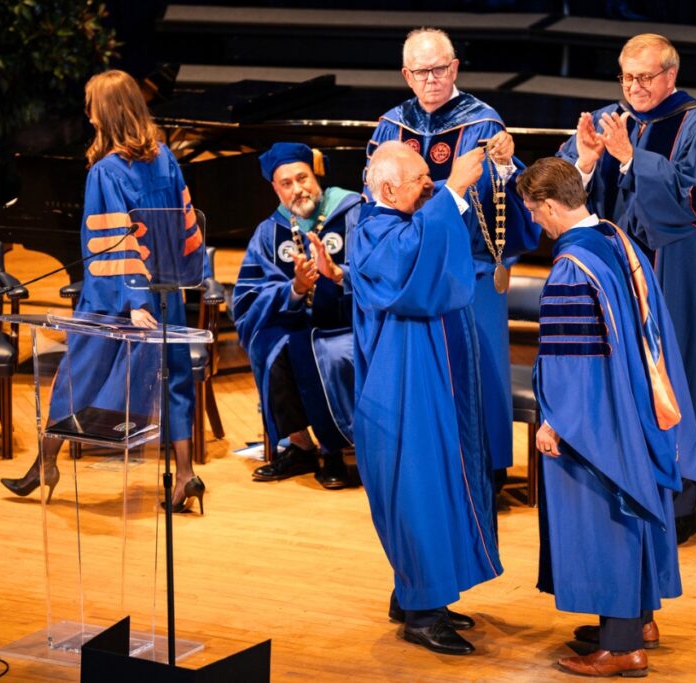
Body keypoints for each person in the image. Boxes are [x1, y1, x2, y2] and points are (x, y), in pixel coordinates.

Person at [518, 157, 696, 676]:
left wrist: (556, 421)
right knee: (633, 512)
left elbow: (575, 361)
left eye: (534, 210)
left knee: (606, 519)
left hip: (599, 419)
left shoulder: (570, 268)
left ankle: (622, 646)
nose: (533, 220)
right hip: (638, 399)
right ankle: (637, 621)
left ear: (551, 206)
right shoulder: (617, 240)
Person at [1, 69, 206, 513]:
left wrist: (133, 299)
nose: (88, 114)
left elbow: (115, 237)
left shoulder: (105, 172)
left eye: (91, 105)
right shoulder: (166, 158)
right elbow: (186, 225)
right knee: (175, 379)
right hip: (166, 294)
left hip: (116, 298)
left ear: (107, 112)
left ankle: (45, 464)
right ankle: (185, 475)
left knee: (77, 372)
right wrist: (181, 282)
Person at [557, 33, 696, 541]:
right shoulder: (607, 121)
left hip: (672, 279)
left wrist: (632, 160)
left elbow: (695, 201)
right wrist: (586, 161)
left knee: (673, 376)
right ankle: (620, 494)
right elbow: (559, 196)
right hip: (610, 281)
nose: (633, 87)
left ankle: (677, 508)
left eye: (644, 77)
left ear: (670, 76)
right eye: (626, 77)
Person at [365, 27, 540, 482]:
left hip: (469, 273)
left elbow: (504, 205)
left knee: (478, 372)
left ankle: (483, 472)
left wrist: (505, 165)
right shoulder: (390, 126)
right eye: (421, 71)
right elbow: (375, 199)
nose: (431, 79)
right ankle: (430, 468)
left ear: (455, 68)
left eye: (439, 69)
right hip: (412, 275)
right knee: (423, 377)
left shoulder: (483, 124)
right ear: (406, 75)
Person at [350, 140, 502, 656]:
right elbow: (408, 265)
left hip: (426, 378)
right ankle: (421, 613)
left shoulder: (403, 220)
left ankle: (418, 594)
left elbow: (435, 248)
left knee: (438, 483)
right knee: (418, 490)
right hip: (400, 387)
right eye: (419, 179)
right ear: (388, 188)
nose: (429, 185)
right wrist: (455, 189)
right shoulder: (373, 230)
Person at [231, 142, 361, 490]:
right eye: (286, 184)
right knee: (269, 344)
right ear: (276, 189)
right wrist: (295, 288)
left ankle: (334, 451)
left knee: (319, 352)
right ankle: (301, 446)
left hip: (347, 321)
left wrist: (338, 275)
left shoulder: (352, 212)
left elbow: (377, 269)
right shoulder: (269, 231)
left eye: (302, 178)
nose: (297, 189)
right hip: (297, 321)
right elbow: (248, 295)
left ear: (316, 176)